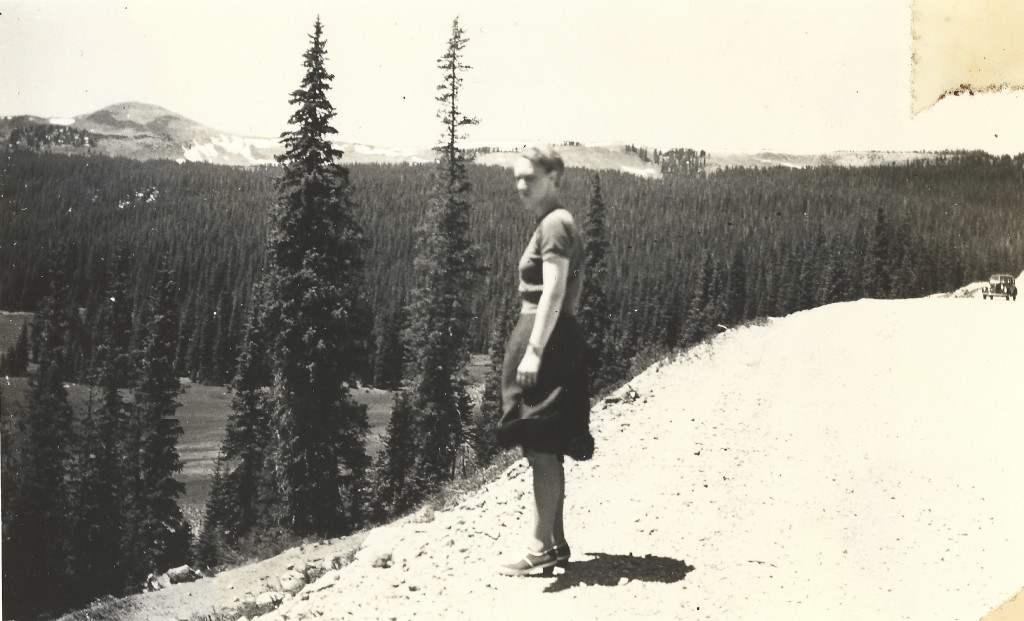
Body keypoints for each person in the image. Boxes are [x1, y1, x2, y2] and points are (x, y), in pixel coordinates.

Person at [495, 145, 594, 576]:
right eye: (516, 177)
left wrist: (534, 350)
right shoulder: (555, 223)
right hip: (550, 339)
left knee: (541, 447)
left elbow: (553, 291)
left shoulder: (555, 224)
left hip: (548, 342)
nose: (521, 186)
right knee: (545, 447)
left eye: (529, 177)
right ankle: (553, 542)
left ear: (554, 178)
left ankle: (538, 548)